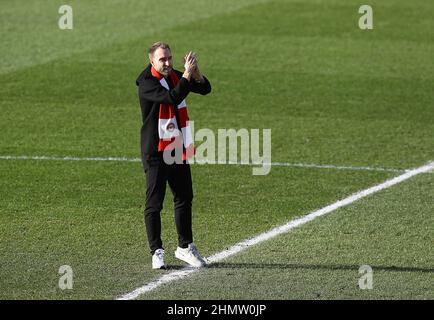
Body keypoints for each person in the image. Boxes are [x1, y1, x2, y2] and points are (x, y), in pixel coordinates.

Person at [135, 42, 211, 269]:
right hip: (156, 151)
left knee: (184, 197)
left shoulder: (174, 76)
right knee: (154, 203)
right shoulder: (147, 83)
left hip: (176, 147)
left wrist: (196, 75)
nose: (168, 63)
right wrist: (186, 76)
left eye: (169, 58)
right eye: (162, 60)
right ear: (152, 61)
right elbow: (172, 98)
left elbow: (205, 89)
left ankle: (185, 247)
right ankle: (156, 251)